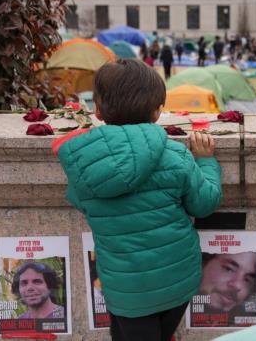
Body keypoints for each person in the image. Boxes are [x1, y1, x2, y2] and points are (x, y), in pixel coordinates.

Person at [53, 58, 222, 341]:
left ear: (97, 110)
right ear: (157, 112)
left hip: (125, 288)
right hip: (176, 279)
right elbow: (203, 204)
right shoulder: (175, 155)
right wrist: (206, 163)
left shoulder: (84, 164)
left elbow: (80, 201)